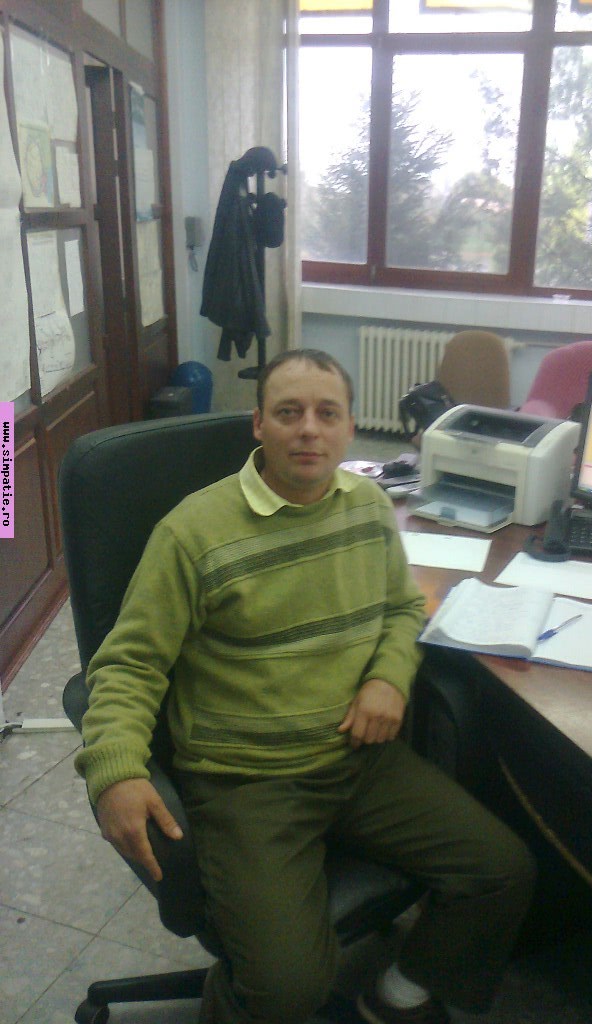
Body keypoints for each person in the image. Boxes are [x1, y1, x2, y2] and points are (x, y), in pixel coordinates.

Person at [75, 349, 536, 1024]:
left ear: (352, 427)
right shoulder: (193, 532)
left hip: (358, 760)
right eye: (288, 413)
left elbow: (402, 609)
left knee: (503, 870)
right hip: (246, 784)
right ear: (259, 424)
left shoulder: (369, 506)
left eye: (327, 413)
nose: (309, 430)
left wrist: (387, 678)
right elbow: (128, 664)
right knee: (286, 989)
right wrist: (115, 770)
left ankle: (397, 994)